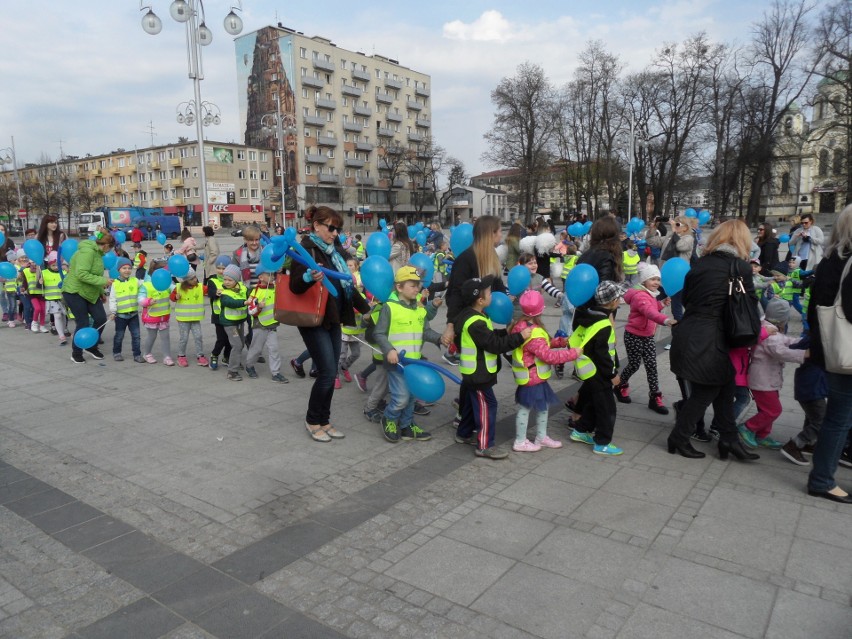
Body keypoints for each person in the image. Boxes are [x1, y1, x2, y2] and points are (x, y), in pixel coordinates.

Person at [667, 220, 760, 461]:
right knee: (705, 391)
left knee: (725, 383)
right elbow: (749, 305)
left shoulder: (699, 265)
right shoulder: (740, 267)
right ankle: (679, 436)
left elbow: (686, 298)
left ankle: (729, 439)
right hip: (711, 337)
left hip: (690, 330)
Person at [289, 205, 370, 442]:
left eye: (338, 229)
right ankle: (313, 420)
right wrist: (307, 277)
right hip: (313, 319)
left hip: (334, 317)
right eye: (331, 228)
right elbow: (294, 286)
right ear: (316, 225)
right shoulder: (306, 249)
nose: (335, 233)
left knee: (330, 370)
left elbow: (346, 284)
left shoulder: (334, 251)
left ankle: (324, 420)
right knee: (325, 372)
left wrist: (366, 309)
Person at [805, 203, 852, 504]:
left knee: (839, 415)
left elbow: (814, 308)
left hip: (832, 346)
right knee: (839, 417)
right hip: (845, 351)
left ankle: (825, 472)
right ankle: (822, 478)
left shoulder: (830, 258)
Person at [454, 276, 531, 459]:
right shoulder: (476, 323)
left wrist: (506, 331)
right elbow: (494, 345)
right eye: (488, 292)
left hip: (475, 372)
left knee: (473, 406)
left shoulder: (474, 315)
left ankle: (463, 433)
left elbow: (488, 337)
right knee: (488, 405)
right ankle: (485, 445)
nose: (492, 294)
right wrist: (520, 337)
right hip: (478, 374)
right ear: (480, 300)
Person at [374, 266, 441, 442]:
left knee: (411, 397)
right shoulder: (389, 307)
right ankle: (389, 418)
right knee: (401, 397)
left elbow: (426, 331)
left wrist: (441, 339)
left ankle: (406, 425)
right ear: (399, 287)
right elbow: (379, 333)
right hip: (397, 363)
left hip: (415, 363)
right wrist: (389, 350)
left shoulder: (420, 309)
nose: (417, 288)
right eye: (412, 285)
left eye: (418, 285)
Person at [509, 290, 581, 452]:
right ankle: (520, 441)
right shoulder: (534, 333)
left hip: (534, 377)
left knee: (542, 407)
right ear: (540, 310)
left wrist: (560, 342)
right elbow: (548, 356)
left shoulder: (523, 326)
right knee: (525, 409)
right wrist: (573, 353)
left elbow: (544, 344)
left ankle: (541, 437)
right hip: (531, 378)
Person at [737, 298, 806, 450]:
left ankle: (762, 435)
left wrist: (802, 341)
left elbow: (786, 340)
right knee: (773, 410)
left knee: (767, 409)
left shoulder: (770, 329)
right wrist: (805, 354)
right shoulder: (771, 335)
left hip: (768, 379)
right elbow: (781, 352)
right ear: (783, 319)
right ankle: (748, 427)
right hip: (762, 379)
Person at [567, 281, 626, 456]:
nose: (620, 300)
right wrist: (612, 374)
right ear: (612, 302)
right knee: (608, 409)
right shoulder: (603, 324)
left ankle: (580, 431)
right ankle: (602, 443)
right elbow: (603, 354)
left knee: (594, 403)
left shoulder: (590, 315)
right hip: (600, 373)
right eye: (618, 297)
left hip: (589, 370)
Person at [442, 216, 508, 363]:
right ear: (491, 233)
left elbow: (498, 287)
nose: (501, 235)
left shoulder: (492, 256)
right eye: (499, 231)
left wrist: (510, 307)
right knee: (476, 370)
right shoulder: (466, 259)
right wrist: (450, 326)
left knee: (481, 369)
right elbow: (455, 294)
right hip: (468, 322)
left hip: (482, 319)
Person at [615, 263, 677, 413]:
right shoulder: (640, 296)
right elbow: (649, 311)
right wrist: (665, 320)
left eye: (658, 279)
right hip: (634, 336)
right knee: (634, 364)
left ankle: (654, 397)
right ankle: (620, 385)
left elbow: (652, 306)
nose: (656, 282)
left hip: (647, 336)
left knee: (651, 366)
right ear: (644, 281)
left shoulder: (648, 294)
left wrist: (661, 304)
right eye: (652, 279)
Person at [62, 229, 115, 363]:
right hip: (74, 291)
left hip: (90, 291)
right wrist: (104, 282)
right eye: (110, 248)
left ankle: (91, 345)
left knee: (101, 318)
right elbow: (82, 274)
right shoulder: (88, 252)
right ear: (106, 245)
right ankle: (76, 352)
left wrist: (101, 292)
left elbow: (95, 275)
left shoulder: (97, 254)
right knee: (83, 322)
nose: (110, 252)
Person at [780, 334, 825, 466]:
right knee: (821, 421)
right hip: (813, 387)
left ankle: (808, 444)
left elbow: (795, 346)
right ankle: (794, 445)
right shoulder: (821, 339)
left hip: (809, 384)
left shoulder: (814, 337)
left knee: (812, 417)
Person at [244, 266, 288, 383]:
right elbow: (250, 311)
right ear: (260, 277)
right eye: (269, 275)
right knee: (256, 349)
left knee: (274, 349)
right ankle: (249, 366)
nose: (272, 277)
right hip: (260, 325)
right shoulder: (255, 292)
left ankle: (276, 373)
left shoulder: (276, 288)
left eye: (272, 275)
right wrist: (258, 306)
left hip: (272, 325)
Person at [108, 257, 143, 362]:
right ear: (119, 270)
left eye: (129, 268)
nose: (127, 270)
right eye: (124, 268)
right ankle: (117, 352)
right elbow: (112, 299)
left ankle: (137, 354)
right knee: (119, 335)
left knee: (136, 336)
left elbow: (146, 286)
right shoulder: (115, 284)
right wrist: (113, 312)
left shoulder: (135, 281)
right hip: (120, 316)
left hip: (133, 315)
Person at [140, 258, 174, 366]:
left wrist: (179, 291)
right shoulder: (146, 285)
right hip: (151, 316)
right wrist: (148, 301)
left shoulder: (167, 283)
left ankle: (167, 356)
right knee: (152, 336)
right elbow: (140, 299)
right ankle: (147, 353)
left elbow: (174, 288)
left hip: (164, 315)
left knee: (165, 337)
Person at [218, 264, 249, 381]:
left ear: (236, 280)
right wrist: (244, 303)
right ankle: (232, 371)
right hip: (229, 323)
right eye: (225, 279)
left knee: (240, 343)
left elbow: (249, 294)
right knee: (237, 345)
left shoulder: (243, 287)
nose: (226, 282)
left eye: (230, 280)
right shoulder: (224, 293)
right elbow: (230, 302)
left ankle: (235, 362)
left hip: (240, 321)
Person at [172, 269, 208, 367]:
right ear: (186, 280)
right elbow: (172, 297)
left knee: (198, 336)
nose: (195, 280)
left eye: (195, 277)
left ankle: (200, 355)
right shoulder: (178, 287)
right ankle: (181, 356)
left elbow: (209, 290)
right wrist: (176, 297)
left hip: (195, 318)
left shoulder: (200, 287)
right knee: (183, 338)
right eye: (192, 278)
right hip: (183, 319)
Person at [337, 257, 364, 387]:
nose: (348, 267)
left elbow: (365, 309)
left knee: (356, 353)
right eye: (347, 265)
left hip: (356, 330)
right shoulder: (344, 295)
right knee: (341, 355)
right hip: (345, 329)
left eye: (351, 265)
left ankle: (344, 368)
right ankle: (335, 375)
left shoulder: (361, 296)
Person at [206, 256, 233, 371]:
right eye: (219, 268)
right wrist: (215, 292)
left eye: (224, 268)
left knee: (231, 340)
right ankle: (214, 355)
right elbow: (210, 292)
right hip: (218, 316)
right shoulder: (212, 280)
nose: (221, 271)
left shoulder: (233, 280)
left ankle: (226, 357)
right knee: (221, 338)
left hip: (232, 315)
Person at [42, 252, 68, 346]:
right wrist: (40, 282)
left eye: (58, 265)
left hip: (63, 298)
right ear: (49, 264)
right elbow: (39, 285)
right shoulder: (44, 273)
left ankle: (64, 329)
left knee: (64, 315)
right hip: (51, 298)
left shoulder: (64, 272)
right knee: (57, 316)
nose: (56, 267)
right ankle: (61, 336)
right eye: (53, 265)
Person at [20, 256, 46, 332]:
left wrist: (43, 282)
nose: (34, 265)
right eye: (32, 263)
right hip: (32, 294)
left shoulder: (42, 271)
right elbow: (25, 282)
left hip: (41, 294)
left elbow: (47, 282)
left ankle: (42, 326)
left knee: (43, 310)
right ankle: (34, 323)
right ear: (29, 263)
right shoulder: (25, 271)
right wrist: (23, 288)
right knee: (37, 308)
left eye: (35, 263)